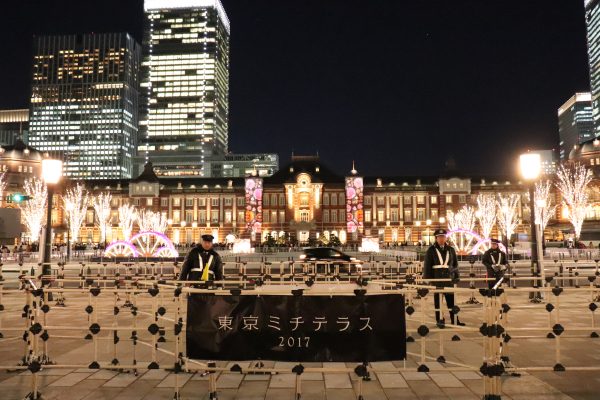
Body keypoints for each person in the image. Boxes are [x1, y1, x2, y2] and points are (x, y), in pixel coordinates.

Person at [422, 229, 464, 326]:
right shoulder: (431, 250)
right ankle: (440, 321)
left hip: (448, 278)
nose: (441, 239)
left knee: (452, 302)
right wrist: (428, 279)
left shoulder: (451, 249)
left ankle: (455, 320)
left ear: (445, 238)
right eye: (439, 237)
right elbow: (427, 265)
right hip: (437, 279)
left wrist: (456, 276)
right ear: (436, 238)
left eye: (443, 237)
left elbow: (454, 264)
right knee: (438, 302)